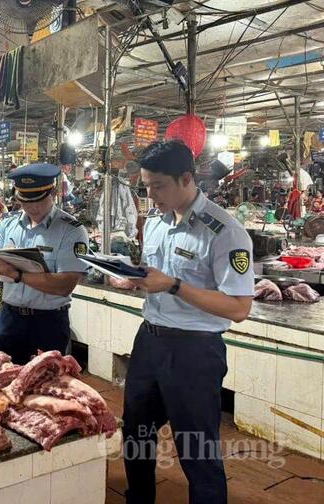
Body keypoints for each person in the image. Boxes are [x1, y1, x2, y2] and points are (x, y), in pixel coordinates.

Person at [124, 140, 254, 504]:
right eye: (145, 186)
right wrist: (134, 278)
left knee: (196, 448)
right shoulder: (154, 222)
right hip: (150, 341)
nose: (151, 195)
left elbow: (239, 307)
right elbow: (157, 277)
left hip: (194, 351)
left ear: (186, 178)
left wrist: (174, 285)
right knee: (136, 435)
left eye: (158, 186)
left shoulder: (224, 232)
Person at [0, 163, 90, 364]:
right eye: (25, 201)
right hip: (9, 319)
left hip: (48, 323)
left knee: (47, 386)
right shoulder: (7, 224)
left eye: (39, 200)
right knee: (0, 382)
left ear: (54, 192)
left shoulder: (72, 230)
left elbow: (65, 285)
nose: (32, 207)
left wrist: (17, 275)